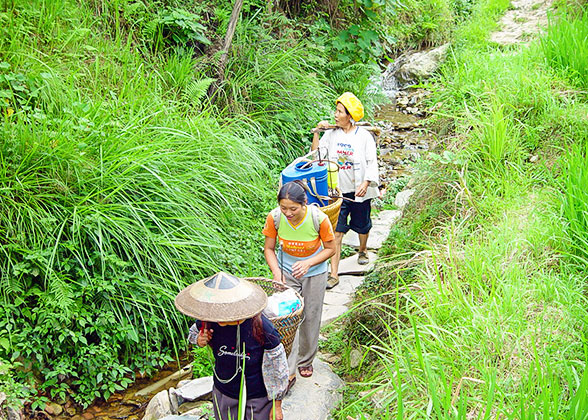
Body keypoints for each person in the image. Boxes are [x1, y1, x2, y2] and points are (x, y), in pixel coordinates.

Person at [175, 272, 289, 420]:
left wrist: (277, 404)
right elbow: (192, 334)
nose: (219, 317)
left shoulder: (262, 328)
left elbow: (277, 368)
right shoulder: (209, 320)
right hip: (224, 392)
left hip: (256, 397)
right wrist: (199, 339)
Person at [262, 180, 335, 385]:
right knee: (288, 317)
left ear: (304, 203)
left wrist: (309, 263)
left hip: (315, 272)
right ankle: (289, 368)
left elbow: (331, 248)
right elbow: (269, 248)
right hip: (287, 273)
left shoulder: (319, 219)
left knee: (311, 315)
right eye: (283, 208)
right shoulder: (275, 218)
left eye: (293, 208)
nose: (288, 213)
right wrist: (277, 272)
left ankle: (306, 360)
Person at [311, 92, 379, 289]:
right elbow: (317, 155)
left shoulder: (364, 137)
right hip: (337, 193)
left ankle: (363, 250)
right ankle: (334, 274)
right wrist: (317, 132)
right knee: (337, 232)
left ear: (349, 116)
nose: (335, 115)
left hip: (360, 191)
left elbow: (371, 162)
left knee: (363, 225)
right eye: (336, 111)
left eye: (339, 112)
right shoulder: (331, 134)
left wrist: (366, 183)